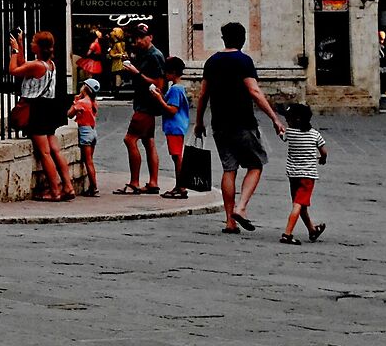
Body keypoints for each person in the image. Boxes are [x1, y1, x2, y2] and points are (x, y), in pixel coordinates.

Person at [194, 22, 286, 234]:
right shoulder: (243, 61)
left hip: (219, 123)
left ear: (223, 38)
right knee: (255, 164)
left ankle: (229, 221)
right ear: (242, 39)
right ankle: (241, 207)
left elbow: (203, 95)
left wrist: (199, 122)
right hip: (243, 122)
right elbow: (254, 91)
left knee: (229, 168)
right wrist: (275, 118)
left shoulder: (212, 61)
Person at [8, 30, 72, 201]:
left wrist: (14, 50)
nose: (31, 44)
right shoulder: (49, 64)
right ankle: (68, 186)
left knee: (44, 153)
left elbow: (14, 70)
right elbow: (23, 65)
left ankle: (55, 191)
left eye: (33, 42)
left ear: (39, 47)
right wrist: (20, 44)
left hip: (37, 108)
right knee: (55, 149)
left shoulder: (37, 66)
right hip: (48, 106)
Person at [118, 36, 167, 194]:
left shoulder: (155, 55)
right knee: (148, 141)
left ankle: (134, 182)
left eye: (141, 37)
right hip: (143, 103)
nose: (138, 41)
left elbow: (158, 84)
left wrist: (136, 72)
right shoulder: (143, 54)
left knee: (130, 140)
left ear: (150, 37)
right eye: (136, 38)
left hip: (146, 106)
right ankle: (153, 182)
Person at [277, 101, 328, 244]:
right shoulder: (315, 135)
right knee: (299, 204)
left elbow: (282, 135)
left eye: (288, 118)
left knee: (299, 204)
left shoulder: (290, 133)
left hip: (293, 175)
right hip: (307, 176)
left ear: (296, 120)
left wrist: (279, 128)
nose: (286, 120)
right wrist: (323, 158)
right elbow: (324, 151)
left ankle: (312, 230)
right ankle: (287, 234)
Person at [159, 58, 193, 198]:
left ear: (172, 72)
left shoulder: (175, 89)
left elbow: (172, 109)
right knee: (177, 155)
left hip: (174, 127)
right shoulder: (179, 88)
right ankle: (180, 185)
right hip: (178, 126)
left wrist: (158, 98)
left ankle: (181, 186)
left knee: (177, 156)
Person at [68, 79, 101, 196]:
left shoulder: (81, 103)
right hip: (93, 131)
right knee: (90, 161)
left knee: (88, 162)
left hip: (85, 131)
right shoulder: (93, 103)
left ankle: (94, 188)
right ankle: (92, 186)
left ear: (85, 88)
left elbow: (69, 114)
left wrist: (75, 102)